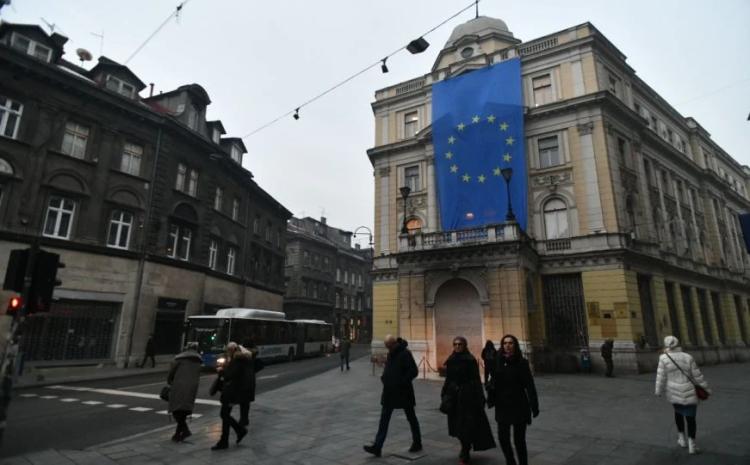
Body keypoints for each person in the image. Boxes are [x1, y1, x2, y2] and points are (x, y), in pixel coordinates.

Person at [363, 335, 422, 457]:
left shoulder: (405, 353)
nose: (387, 349)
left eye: (388, 346)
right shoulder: (392, 353)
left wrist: (401, 382)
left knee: (411, 417)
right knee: (384, 420)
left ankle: (417, 442)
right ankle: (377, 447)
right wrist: (385, 376)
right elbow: (391, 368)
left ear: (393, 344)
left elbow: (414, 371)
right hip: (389, 392)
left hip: (403, 392)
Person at [442, 336, 496, 464]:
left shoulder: (470, 360)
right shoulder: (451, 359)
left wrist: (480, 396)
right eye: (455, 344)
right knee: (456, 424)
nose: (457, 346)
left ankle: (465, 449)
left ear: (465, 345)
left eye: (460, 344)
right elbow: (448, 378)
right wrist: (444, 393)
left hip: (467, 396)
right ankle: (464, 445)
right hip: (453, 396)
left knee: (466, 425)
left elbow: (476, 379)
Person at [488, 334, 539, 465]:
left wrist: (534, 405)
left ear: (515, 345)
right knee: (503, 438)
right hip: (502, 404)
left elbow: (529, 385)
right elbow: (493, 380)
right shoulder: (498, 361)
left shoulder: (522, 363)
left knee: (519, 440)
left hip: (519, 404)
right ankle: (510, 461)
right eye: (505, 343)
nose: (507, 346)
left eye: (510, 343)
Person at [655, 335, 710, 455]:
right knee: (691, 419)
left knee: (678, 413)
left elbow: (661, 376)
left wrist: (658, 390)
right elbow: (697, 376)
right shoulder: (687, 357)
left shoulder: (663, 358)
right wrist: (706, 389)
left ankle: (682, 439)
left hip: (673, 391)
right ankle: (692, 445)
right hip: (689, 391)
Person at [210, 342, 251, 450]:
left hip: (232, 392)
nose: (227, 352)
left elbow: (230, 375)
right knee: (225, 415)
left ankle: (238, 432)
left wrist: (222, 371)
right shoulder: (239, 359)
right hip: (233, 391)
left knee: (224, 415)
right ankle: (227, 439)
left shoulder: (237, 360)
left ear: (232, 350)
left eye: (228, 350)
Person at [166, 342, 202, 442]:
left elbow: (172, 371)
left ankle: (185, 431)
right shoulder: (198, 360)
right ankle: (177, 435)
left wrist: (169, 381)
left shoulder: (180, 359)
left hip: (179, 385)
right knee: (184, 410)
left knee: (176, 410)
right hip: (192, 387)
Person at [239, 340, 264, 427]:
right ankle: (245, 419)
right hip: (251, 382)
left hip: (243, 382)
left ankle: (243, 419)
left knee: (243, 402)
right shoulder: (253, 356)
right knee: (246, 402)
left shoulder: (244, 357)